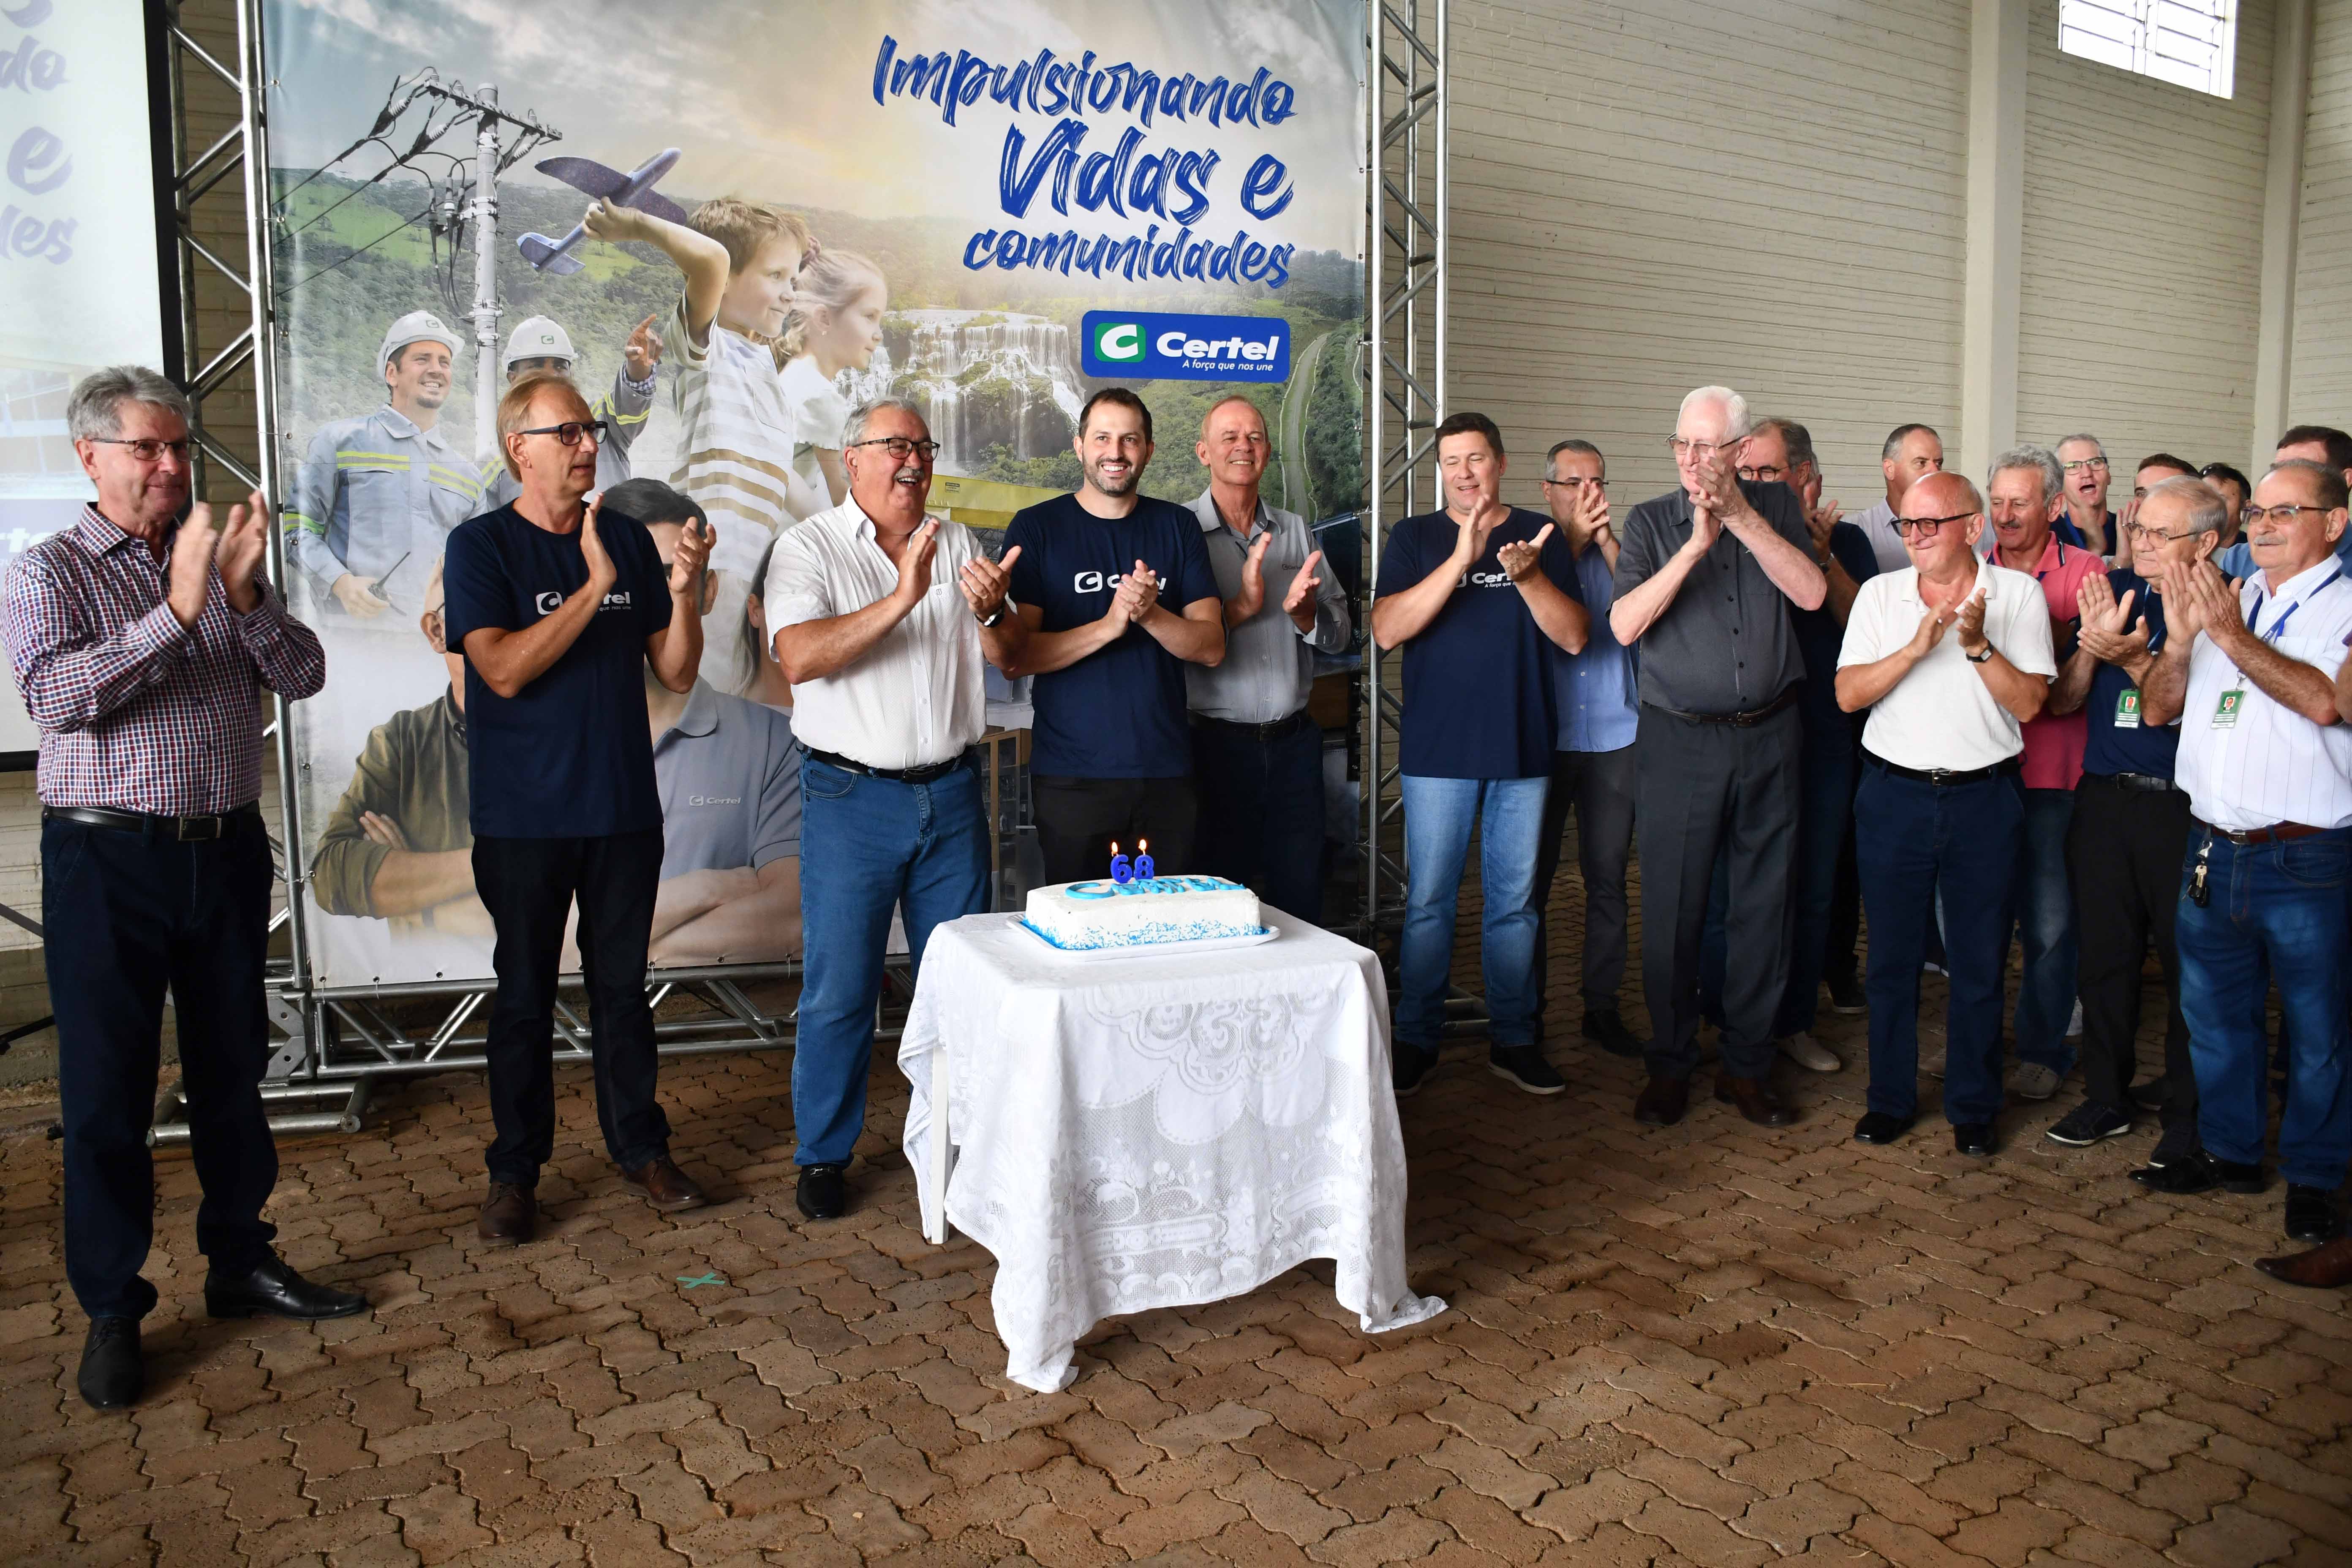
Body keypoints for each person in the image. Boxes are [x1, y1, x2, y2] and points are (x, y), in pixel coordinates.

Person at [1, 366, 364, 1411]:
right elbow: (58, 697)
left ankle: (240, 1259)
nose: (170, 465)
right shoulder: (50, 571)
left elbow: (303, 675)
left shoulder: (216, 558)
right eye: (147, 448)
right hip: (107, 860)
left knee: (232, 1071)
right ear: (90, 457)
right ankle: (113, 1307)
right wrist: (177, 609)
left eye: (179, 447)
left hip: (225, 850)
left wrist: (243, 597)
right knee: (108, 1093)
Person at [441, 370, 714, 1246]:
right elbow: (501, 670)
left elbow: (675, 671)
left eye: (590, 428)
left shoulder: (626, 536)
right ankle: (514, 1174)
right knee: (523, 997)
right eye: (567, 432)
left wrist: (682, 590)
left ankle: (642, 1150)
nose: (588, 443)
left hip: (623, 811)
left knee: (623, 993)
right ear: (517, 448)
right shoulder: (481, 546)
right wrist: (594, 588)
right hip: (523, 818)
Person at [767, 398, 1026, 1220]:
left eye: (923, 445)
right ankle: (823, 1154)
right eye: (894, 446)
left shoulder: (961, 543)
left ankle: (955, 1146)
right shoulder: (807, 547)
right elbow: (800, 656)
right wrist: (906, 593)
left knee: (960, 986)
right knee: (841, 989)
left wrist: (992, 612)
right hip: (851, 797)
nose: (913, 460)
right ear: (852, 459)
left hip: (952, 792)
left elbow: (1010, 655)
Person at [2139, 459, 2352, 1249]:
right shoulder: (2232, 596)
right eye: (2256, 512)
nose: (2261, 525)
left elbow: (2327, 702)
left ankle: (2314, 1177)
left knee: (2318, 1031)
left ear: (2334, 523)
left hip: (2304, 859)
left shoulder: (2341, 606)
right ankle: (2230, 1153)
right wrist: (2182, 642)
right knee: (2216, 1019)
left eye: (2284, 512)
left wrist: (2228, 635)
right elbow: (2157, 710)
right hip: (2210, 849)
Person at [1608, 386, 1826, 1129]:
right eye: (1683, 444)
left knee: (1764, 908)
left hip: (1770, 734)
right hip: (1681, 741)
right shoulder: (1649, 521)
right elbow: (1624, 626)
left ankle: (1746, 1066)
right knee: (1673, 908)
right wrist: (1695, 547)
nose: (1692, 459)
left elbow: (1810, 593)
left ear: (1739, 451)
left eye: (1707, 446)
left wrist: (1739, 518)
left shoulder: (1778, 508)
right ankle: (1670, 1063)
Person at [1836, 471, 2054, 1157]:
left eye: (1931, 523)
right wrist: (1912, 649)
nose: (1916, 535)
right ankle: (1889, 1099)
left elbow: (2030, 704)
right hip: (1892, 797)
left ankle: (1973, 1105)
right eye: (1907, 523)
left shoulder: (2017, 594)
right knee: (1890, 961)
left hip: (1983, 799)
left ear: (1973, 526)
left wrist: (1977, 644)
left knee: (1979, 960)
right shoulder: (1879, 594)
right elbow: (1847, 695)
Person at [1372, 411, 1588, 1096]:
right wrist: (1460, 563)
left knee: (1514, 907)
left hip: (1522, 749)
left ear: (1500, 462)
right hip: (1437, 754)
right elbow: (1386, 630)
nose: (1464, 473)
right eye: (1452, 462)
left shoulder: (1539, 536)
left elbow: (1575, 637)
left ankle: (1514, 1039)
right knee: (1429, 903)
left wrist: (1527, 578)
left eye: (1476, 459)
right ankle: (1416, 1038)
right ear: (1441, 471)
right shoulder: (1414, 538)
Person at [2041, 476, 2221, 1165]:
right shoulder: (2113, 589)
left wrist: (2134, 657)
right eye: (2137, 528)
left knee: (2187, 970)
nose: (2139, 542)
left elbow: (2166, 709)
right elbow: (2063, 702)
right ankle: (2106, 1097)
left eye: (2157, 533)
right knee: (2104, 959)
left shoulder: (2224, 608)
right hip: (2103, 801)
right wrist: (2093, 645)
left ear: (2205, 542)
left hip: (2182, 809)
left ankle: (2187, 1115)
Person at [579, 194, 823, 677]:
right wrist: (637, 225)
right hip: (708, 564)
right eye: (776, 277)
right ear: (725, 281)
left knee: (738, 695)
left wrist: (841, 531)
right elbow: (712, 260)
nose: (790, 294)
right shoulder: (706, 349)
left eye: (793, 281)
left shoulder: (760, 363)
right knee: (703, 691)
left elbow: (777, 474)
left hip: (752, 571)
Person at [1004, 388, 1224, 882]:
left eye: (1130, 439)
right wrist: (1109, 625)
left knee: (1165, 921)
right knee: (1082, 919)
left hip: (1166, 772)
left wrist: (1150, 614)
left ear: (1149, 449)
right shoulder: (1037, 528)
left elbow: (1212, 647)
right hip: (1071, 777)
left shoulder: (1178, 525)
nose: (1116, 452)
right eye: (1102, 438)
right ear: (1079, 446)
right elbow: (1018, 657)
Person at [608, 479, 805, 967]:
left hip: (729, 1008)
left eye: (670, 574)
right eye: (621, 574)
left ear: (708, 590)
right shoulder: (547, 739)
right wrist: (708, 889)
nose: (645, 597)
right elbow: (541, 928)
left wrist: (614, 946)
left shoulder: (772, 743)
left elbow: (790, 917)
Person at [1185, 395, 1351, 922]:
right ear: (1204, 452)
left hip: (1294, 749)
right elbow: (1173, 638)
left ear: (1268, 450)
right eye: (1230, 437)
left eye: (1255, 437)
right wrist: (1240, 607)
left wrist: (1307, 617)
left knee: (1300, 896)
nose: (1244, 446)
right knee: (1217, 904)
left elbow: (1341, 633)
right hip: (1213, 750)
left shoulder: (1295, 530)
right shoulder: (1179, 532)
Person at [1984, 446, 2105, 1101]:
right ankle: (1976, 1042)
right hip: (1984, 773)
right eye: (1996, 501)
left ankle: (2043, 1049)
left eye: (2020, 502)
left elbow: (2067, 683)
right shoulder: (1972, 567)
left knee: (2051, 926)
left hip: (2055, 778)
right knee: (1972, 921)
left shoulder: (2086, 572)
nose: (2004, 515)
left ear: (2055, 507)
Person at [1529, 438, 1643, 1059]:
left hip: (1614, 736)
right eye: (1574, 482)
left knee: (1608, 881)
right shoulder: (1531, 554)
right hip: (1544, 742)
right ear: (1548, 490)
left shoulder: (1622, 553)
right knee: (1532, 885)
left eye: (1596, 481)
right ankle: (1527, 1013)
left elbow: (1647, 608)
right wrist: (1572, 544)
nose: (1587, 493)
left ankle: (1601, 1007)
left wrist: (1604, 540)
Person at [310, 559, 484, 935]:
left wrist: (415, 892)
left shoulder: (573, 734)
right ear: (437, 631)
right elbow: (331, 877)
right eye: (482, 611)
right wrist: (494, 865)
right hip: (431, 972)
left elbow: (572, 902)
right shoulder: (401, 741)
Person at [284, 311, 479, 620]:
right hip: (354, 637)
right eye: (422, 359)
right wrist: (341, 583)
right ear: (392, 373)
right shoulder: (339, 442)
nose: (436, 369)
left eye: (445, 362)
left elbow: (478, 564)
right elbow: (297, 529)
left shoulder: (467, 475)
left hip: (437, 641)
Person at [480, 314, 665, 507]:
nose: (552, 374)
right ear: (513, 378)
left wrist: (638, 365)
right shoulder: (494, 462)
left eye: (560, 366)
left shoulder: (599, 420)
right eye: (537, 365)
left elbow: (630, 398)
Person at [781, 249, 887, 508]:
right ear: (824, 319)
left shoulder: (795, 374)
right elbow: (843, 495)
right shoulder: (820, 396)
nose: (879, 335)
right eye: (870, 317)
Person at [2219, 427, 2352, 579]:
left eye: (2301, 468)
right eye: (2276, 469)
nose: (2262, 528)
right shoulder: (2239, 560)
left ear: (2345, 479)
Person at [1850, 423, 1944, 572]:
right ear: (1890, 469)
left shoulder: (1958, 527)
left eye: (1938, 463)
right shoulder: (1857, 531)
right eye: (1921, 463)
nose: (1935, 471)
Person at [2051, 433, 2112, 557]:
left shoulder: (2128, 532)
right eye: (2072, 466)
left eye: (2095, 462)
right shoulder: (2046, 535)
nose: (2087, 473)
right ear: (2059, 482)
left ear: (2109, 476)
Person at [2199, 462, 2251, 552]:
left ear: (2246, 508)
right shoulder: (2182, 549)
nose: (2208, 508)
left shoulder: (2254, 554)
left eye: (2221, 501)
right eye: (2202, 499)